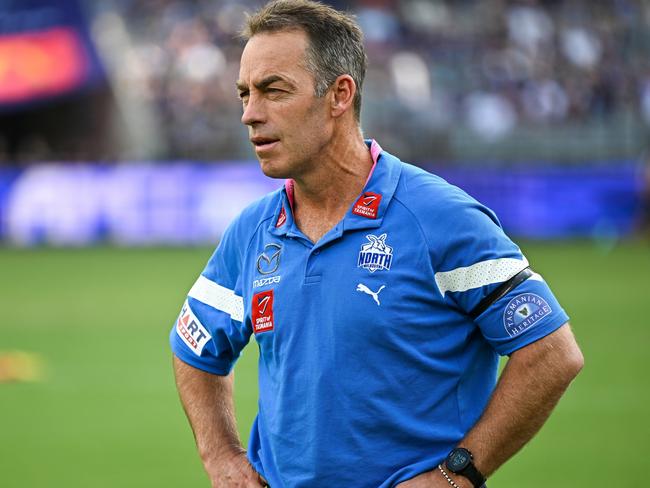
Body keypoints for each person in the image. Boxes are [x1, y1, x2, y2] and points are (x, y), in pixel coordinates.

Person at [169, 1, 584, 487]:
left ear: (339, 94)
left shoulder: (440, 218)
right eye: (244, 94)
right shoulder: (253, 231)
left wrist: (458, 475)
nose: (250, 114)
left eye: (273, 91)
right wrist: (221, 457)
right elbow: (193, 345)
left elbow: (554, 353)